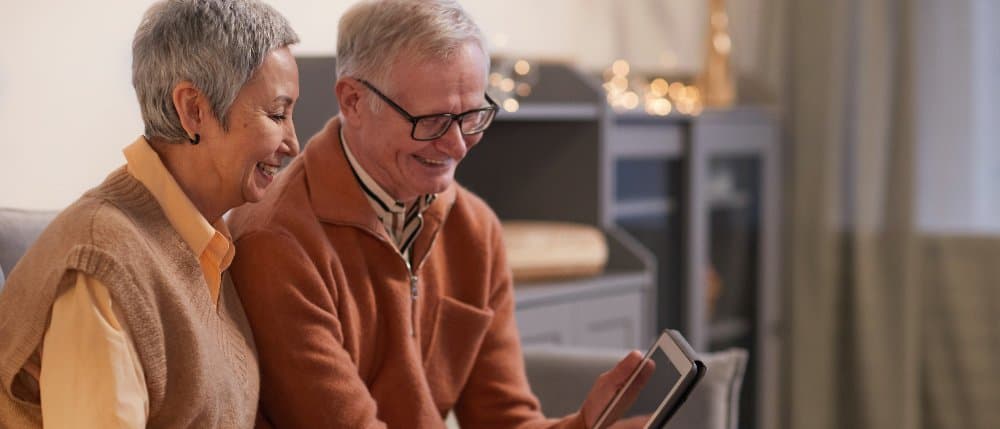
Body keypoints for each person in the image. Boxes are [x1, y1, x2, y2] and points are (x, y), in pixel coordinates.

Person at [226, 0, 647, 427]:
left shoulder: (475, 228)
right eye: (432, 121)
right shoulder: (277, 242)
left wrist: (583, 426)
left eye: (473, 116)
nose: (458, 146)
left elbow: (503, 419)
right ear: (353, 101)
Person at [0, 1, 300, 427]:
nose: (293, 143)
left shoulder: (205, 242)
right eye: (277, 114)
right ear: (195, 110)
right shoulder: (103, 261)